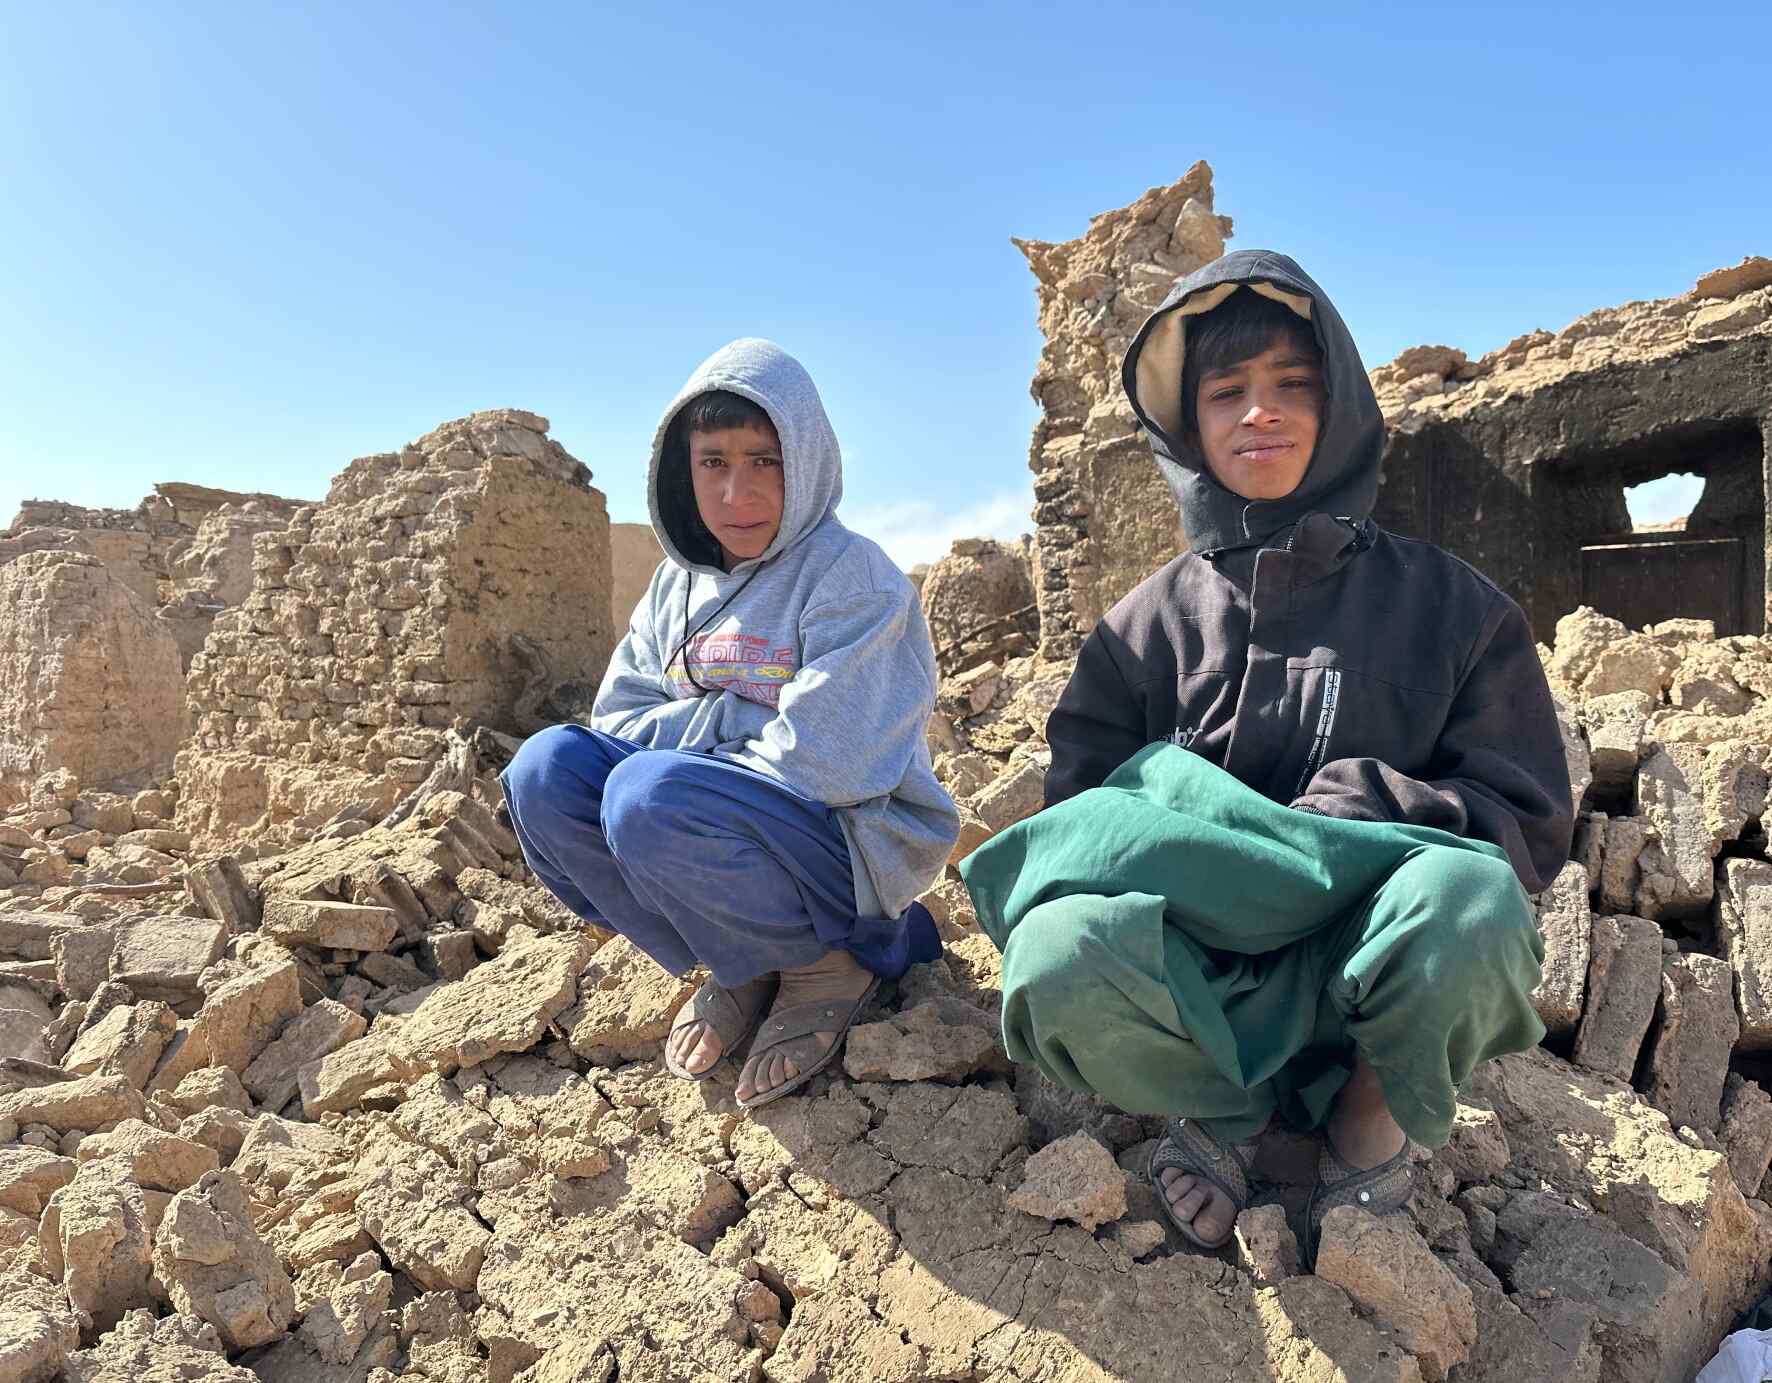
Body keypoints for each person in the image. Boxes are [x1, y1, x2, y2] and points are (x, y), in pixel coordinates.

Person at [960, 252, 1573, 1256]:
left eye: (1293, 384)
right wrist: (1203, 837)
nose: (1261, 414)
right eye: (1228, 392)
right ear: (1186, 425)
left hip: (1369, 966)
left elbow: (1526, 812)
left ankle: (1368, 1117)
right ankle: (1224, 1107)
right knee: (1059, 953)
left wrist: (1358, 814)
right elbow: (1082, 823)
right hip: (1197, 972)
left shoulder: (1450, 608)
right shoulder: (1137, 631)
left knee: (1473, 905)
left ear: (1340, 403)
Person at [501, 338, 959, 1109]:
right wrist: (741, 711)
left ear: (807, 458)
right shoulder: (674, 587)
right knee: (543, 773)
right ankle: (743, 960)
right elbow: (615, 719)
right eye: (713, 462)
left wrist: (684, 754)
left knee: (646, 798)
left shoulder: (852, 578)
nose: (735, 493)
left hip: (849, 841)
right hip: (727, 819)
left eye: (765, 462)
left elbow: (828, 760)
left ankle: (827, 962)